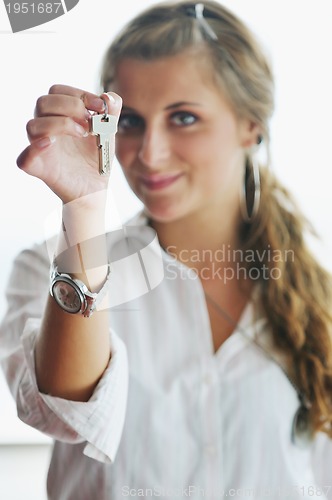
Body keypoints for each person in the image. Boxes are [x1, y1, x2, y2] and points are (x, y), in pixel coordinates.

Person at [1, 1, 332, 498]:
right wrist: (86, 208)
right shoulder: (56, 264)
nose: (150, 152)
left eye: (183, 117)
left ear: (251, 124)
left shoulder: (319, 298)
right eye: (131, 121)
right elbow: (65, 412)